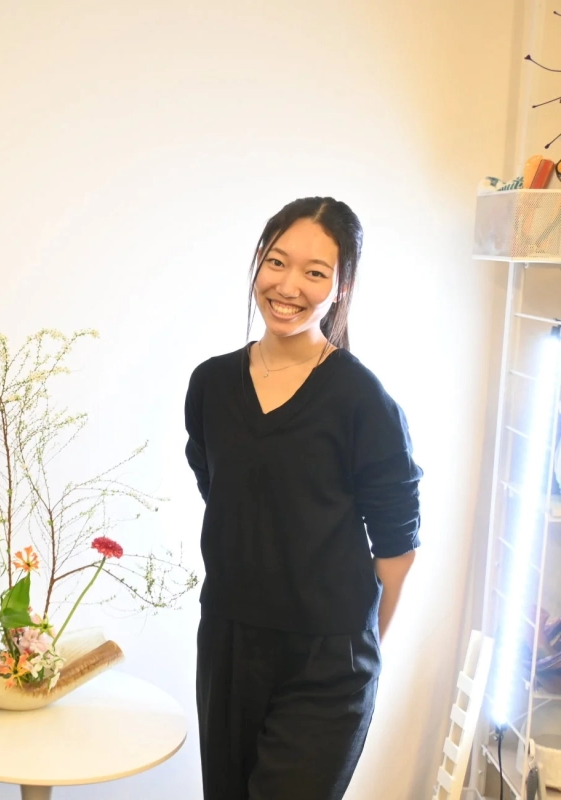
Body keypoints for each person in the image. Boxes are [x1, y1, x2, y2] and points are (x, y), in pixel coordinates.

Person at [183, 197, 422, 800]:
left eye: (315, 272)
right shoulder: (211, 385)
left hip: (327, 659)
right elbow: (227, 495)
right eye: (276, 262)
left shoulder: (361, 399)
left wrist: (357, 651)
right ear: (257, 265)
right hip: (229, 646)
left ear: (340, 288)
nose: (288, 286)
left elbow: (396, 548)